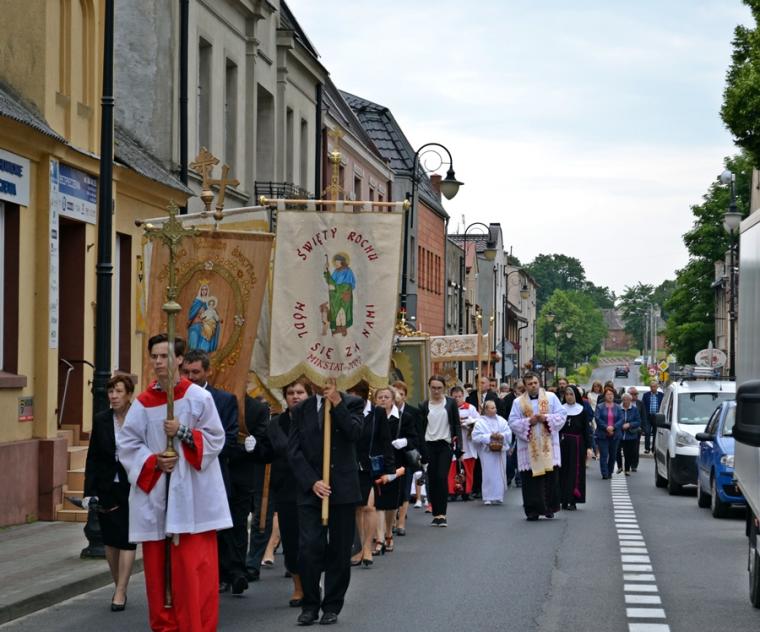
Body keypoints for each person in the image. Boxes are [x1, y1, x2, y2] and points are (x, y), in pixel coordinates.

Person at [117, 334, 231, 632]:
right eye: (154, 356)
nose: (158, 362)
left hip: (192, 498)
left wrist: (182, 432)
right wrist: (155, 461)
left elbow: (216, 439)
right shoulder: (143, 404)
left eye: (164, 356)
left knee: (194, 572)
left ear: (179, 359)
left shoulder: (198, 398)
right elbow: (127, 445)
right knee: (159, 576)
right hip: (158, 494)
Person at [287, 379, 364, 626]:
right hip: (312, 491)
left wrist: (337, 403)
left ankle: (332, 605)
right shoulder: (302, 409)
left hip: (342, 489)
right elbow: (294, 450)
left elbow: (354, 433)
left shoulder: (352, 403)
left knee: (340, 550)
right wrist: (312, 481)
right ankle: (310, 604)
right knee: (309, 548)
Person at [180, 349, 242, 594]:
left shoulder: (224, 400)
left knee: (217, 530)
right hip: (182, 474)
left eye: (196, 372)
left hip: (213, 471)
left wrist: (198, 446)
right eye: (186, 372)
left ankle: (224, 573)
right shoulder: (176, 399)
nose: (191, 377)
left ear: (208, 372)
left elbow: (228, 440)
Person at [83, 374, 137, 612]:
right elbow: (93, 457)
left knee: (126, 539)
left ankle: (121, 590)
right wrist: (89, 491)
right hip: (107, 487)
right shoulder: (102, 419)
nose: (113, 396)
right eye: (111, 392)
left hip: (133, 486)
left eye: (119, 391)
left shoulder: (139, 418)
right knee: (110, 541)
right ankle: (119, 585)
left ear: (129, 394)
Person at [268, 377, 311, 606]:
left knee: (311, 541)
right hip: (286, 489)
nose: (295, 396)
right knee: (292, 541)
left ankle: (313, 582)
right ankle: (298, 587)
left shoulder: (318, 421)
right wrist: (253, 447)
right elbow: (268, 452)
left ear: (308, 395)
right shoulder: (276, 424)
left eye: (300, 392)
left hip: (312, 488)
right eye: (291, 393)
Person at [508, 372, 567, 520]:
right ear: (525, 386)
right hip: (529, 447)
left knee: (549, 478)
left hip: (548, 446)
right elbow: (512, 422)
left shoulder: (551, 397)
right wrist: (529, 422)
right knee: (531, 481)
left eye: (535, 383)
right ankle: (532, 511)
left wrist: (545, 418)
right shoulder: (518, 402)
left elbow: (562, 415)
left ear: (539, 382)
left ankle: (549, 509)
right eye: (530, 384)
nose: (533, 386)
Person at [349, 380, 393, 563]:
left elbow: (385, 440)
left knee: (369, 506)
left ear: (362, 395)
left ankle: (368, 547)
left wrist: (389, 470)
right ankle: (361, 547)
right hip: (352, 466)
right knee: (358, 508)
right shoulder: (346, 412)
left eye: (353, 395)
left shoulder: (377, 413)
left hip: (372, 467)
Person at [374, 386, 415, 553]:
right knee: (377, 502)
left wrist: (404, 442)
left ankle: (389, 533)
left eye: (386, 397)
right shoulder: (371, 417)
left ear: (393, 400)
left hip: (396, 463)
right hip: (376, 462)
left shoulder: (404, 418)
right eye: (380, 397)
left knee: (391, 503)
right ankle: (380, 538)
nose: (383, 400)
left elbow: (414, 439)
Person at [419, 375, 462, 527]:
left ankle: (442, 514)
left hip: (445, 445)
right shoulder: (423, 405)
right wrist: (421, 449)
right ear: (429, 388)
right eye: (433, 388)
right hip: (429, 445)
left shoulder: (450, 403)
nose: (436, 391)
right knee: (432, 479)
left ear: (444, 388)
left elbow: (456, 425)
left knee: (441, 477)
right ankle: (435, 514)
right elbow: (421, 428)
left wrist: (459, 447)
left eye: (439, 388)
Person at [239, 394, 274, 583]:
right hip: (264, 468)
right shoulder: (267, 416)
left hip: (293, 472)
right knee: (261, 516)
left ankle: (296, 565)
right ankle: (252, 563)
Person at [392, 380, 420, 536]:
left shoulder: (411, 413)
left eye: (401, 394)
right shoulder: (382, 413)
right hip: (389, 456)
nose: (397, 397)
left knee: (404, 489)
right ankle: (392, 520)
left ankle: (401, 521)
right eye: (395, 393)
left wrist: (422, 459)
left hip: (405, 456)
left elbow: (417, 437)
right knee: (391, 489)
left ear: (405, 396)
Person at [559, 385, 593, 510]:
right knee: (562, 471)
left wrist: (589, 447)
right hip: (562, 443)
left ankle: (573, 500)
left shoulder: (581, 410)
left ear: (576, 396)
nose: (569, 397)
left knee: (575, 471)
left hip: (577, 444)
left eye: (571, 394)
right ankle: (563, 499)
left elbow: (586, 430)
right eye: (567, 394)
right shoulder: (560, 409)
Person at [471, 400, 512, 505]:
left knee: (500, 473)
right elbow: (475, 437)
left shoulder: (501, 420)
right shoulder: (480, 422)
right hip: (487, 452)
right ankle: (488, 496)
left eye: (495, 407)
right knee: (488, 473)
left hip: (500, 451)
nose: (495, 410)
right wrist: (489, 436)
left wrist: (501, 435)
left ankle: (499, 496)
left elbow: (508, 433)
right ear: (485, 410)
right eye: (492, 408)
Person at [448, 386, 479, 501]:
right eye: (455, 397)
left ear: (463, 396)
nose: (457, 399)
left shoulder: (470, 408)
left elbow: (478, 421)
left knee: (468, 468)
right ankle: (451, 492)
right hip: (453, 441)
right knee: (451, 468)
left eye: (459, 396)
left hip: (467, 442)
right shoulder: (448, 408)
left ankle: (467, 491)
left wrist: (467, 423)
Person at [594, 386, 623, 480]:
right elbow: (597, 419)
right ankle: (604, 473)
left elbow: (621, 419)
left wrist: (613, 427)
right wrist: (606, 427)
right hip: (602, 434)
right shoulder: (599, 406)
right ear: (604, 396)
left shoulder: (618, 407)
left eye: (611, 394)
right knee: (604, 454)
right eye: (608, 394)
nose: (610, 396)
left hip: (615, 434)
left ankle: (610, 472)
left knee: (613, 455)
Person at [618, 393, 641, 476]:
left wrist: (629, 424)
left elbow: (638, 421)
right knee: (617, 451)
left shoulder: (634, 409)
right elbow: (615, 419)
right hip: (619, 434)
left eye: (627, 400)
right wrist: (620, 425)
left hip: (630, 435)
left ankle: (627, 469)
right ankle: (620, 466)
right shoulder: (618, 408)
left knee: (628, 453)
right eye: (624, 399)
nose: (626, 401)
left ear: (630, 400)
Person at [641, 380, 663, 455]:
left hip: (657, 417)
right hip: (648, 416)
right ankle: (647, 448)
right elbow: (643, 406)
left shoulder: (661, 395)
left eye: (654, 386)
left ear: (657, 387)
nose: (653, 388)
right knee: (647, 432)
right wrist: (643, 417)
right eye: (651, 387)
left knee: (655, 433)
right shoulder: (646, 395)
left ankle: (654, 448)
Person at [627, 386, 646, 470]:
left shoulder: (640, 403)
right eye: (633, 394)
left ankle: (634, 465)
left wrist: (643, 428)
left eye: (636, 394)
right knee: (628, 448)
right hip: (626, 429)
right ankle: (627, 463)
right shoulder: (625, 403)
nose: (635, 396)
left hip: (636, 429)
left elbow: (643, 416)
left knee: (635, 448)